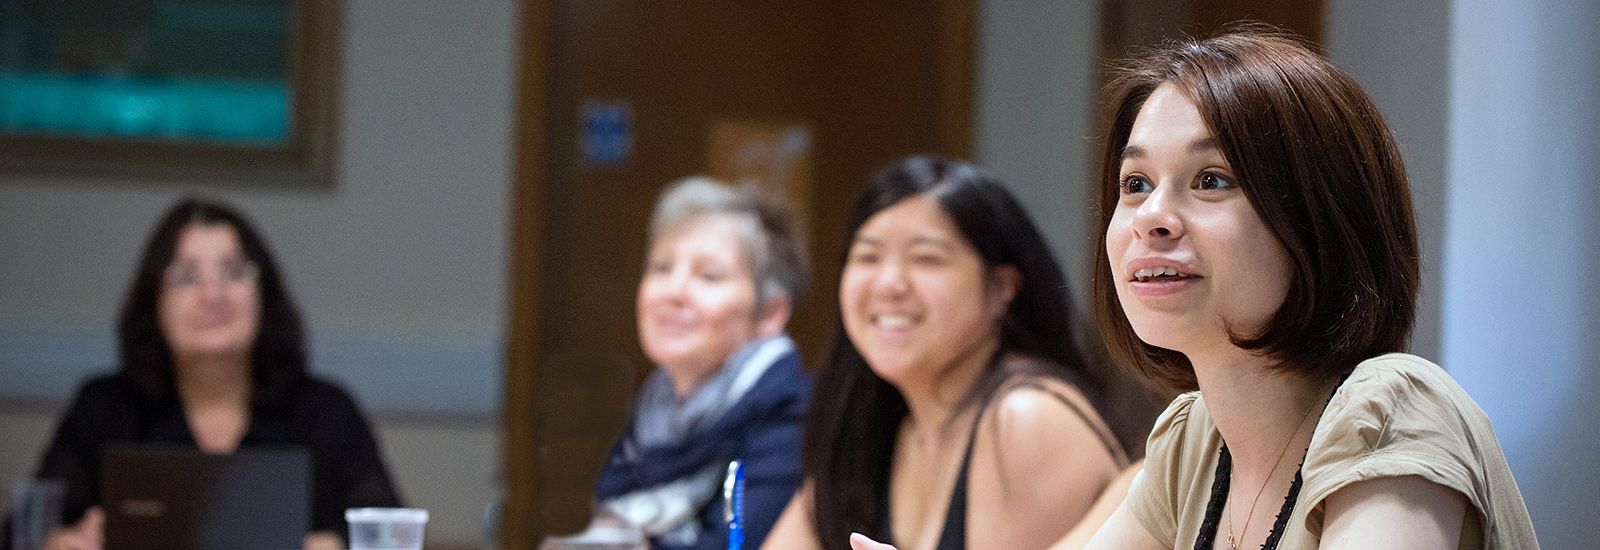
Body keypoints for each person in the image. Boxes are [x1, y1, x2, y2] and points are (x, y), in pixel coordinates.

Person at [765, 155, 1128, 550]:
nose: (889, 283)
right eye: (867, 257)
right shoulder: (873, 424)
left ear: (1002, 287)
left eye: (926, 259)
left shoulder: (1025, 419)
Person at [31, 198, 401, 550]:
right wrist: (66, 541)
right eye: (187, 276)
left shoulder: (324, 411)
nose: (213, 294)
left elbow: (391, 532)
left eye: (234, 272)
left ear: (264, 294)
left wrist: (331, 544)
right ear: (154, 300)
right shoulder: (106, 408)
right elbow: (29, 527)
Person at [587, 177, 812, 550]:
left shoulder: (794, 420)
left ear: (770, 312)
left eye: (708, 275)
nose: (673, 292)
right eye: (661, 268)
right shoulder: (654, 409)